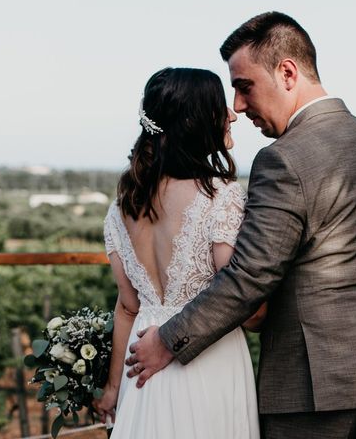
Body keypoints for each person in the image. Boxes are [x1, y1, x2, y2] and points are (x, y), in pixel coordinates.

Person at [126, 12, 356, 438]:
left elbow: (250, 275)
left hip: (314, 382)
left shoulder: (282, 158)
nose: (239, 107)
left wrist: (169, 339)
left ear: (287, 73)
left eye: (245, 87)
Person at [93, 67, 261, 439]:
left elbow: (127, 307)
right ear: (194, 121)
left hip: (141, 371)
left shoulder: (122, 207)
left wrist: (113, 389)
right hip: (208, 364)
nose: (232, 114)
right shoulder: (223, 198)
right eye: (220, 107)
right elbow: (238, 295)